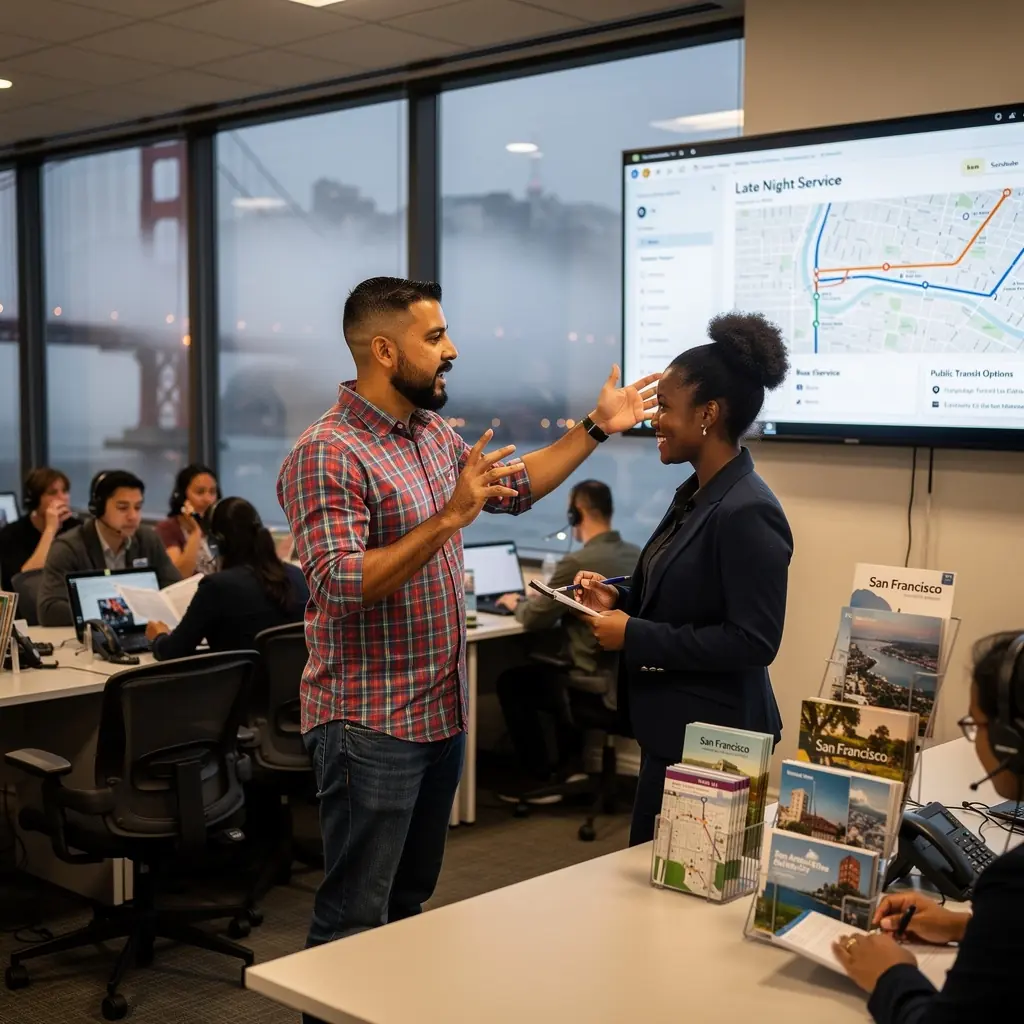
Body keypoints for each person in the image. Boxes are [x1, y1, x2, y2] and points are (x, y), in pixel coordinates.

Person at [277, 276, 656, 986]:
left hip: (436, 715)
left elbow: (516, 487)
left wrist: (599, 426)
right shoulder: (328, 452)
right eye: (435, 337)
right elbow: (339, 582)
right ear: (385, 351)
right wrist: (449, 518)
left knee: (407, 904)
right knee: (355, 917)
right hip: (370, 724)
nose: (451, 350)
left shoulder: (431, 435)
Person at [575, 312, 793, 846]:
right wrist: (619, 593)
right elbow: (685, 587)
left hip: (716, 746)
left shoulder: (747, 510)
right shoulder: (700, 493)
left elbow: (754, 641)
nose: (654, 421)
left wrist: (634, 634)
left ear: (709, 414)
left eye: (665, 408)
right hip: (677, 731)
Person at [833, 631, 1024, 1023]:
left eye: (976, 724)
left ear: (1010, 742)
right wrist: (965, 927)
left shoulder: (1013, 883)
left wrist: (891, 974)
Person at [494, 480, 640, 800]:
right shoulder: (637, 554)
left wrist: (515, 603)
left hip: (591, 683)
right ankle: (570, 765)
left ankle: (543, 775)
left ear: (577, 514)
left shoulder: (577, 564)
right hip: (627, 684)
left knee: (513, 682)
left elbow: (535, 618)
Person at [146, 496, 308, 660]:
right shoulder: (300, 577)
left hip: (243, 685)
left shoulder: (216, 587)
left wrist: (158, 636)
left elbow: (172, 651)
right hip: (296, 685)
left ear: (216, 543)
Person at [37, 469, 180, 627]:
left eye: (138, 507)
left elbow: (174, 589)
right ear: (98, 508)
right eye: (123, 508)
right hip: (93, 640)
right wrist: (111, 612)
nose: (133, 516)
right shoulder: (68, 548)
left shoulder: (147, 539)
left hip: (144, 634)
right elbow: (48, 610)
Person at [0, 467, 80, 592]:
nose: (62, 498)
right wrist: (50, 529)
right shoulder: (11, 534)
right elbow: (25, 583)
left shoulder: (77, 528)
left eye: (64, 491)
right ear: (35, 500)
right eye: (53, 493)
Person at [155, 463, 220, 577]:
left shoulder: (218, 527)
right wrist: (196, 532)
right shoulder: (168, 529)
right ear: (182, 496)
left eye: (212, 492)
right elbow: (179, 575)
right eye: (200, 492)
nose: (208, 499)